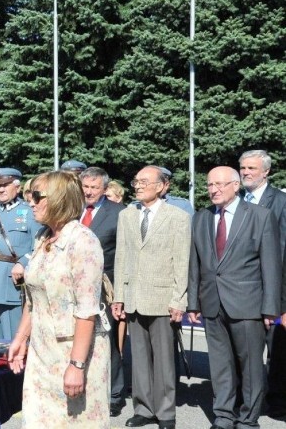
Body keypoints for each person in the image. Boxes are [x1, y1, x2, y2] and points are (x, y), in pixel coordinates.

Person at [8, 170, 110, 427]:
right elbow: (33, 298)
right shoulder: (43, 237)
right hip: (42, 353)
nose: (30, 201)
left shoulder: (83, 242)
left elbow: (87, 310)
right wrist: (20, 339)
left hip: (73, 352)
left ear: (59, 199)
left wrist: (76, 365)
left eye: (37, 196)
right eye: (29, 195)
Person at [187, 166, 281, 429]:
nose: (213, 190)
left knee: (251, 366)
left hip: (248, 305)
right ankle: (224, 415)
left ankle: (248, 419)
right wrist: (193, 302)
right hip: (212, 304)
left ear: (235, 185)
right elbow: (195, 263)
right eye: (209, 185)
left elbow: (271, 266)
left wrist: (270, 308)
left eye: (219, 184)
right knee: (220, 365)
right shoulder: (201, 218)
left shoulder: (261, 217)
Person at [112, 166, 191, 429]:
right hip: (134, 297)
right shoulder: (126, 215)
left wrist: (179, 300)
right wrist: (119, 297)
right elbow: (121, 257)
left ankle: (166, 412)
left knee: (165, 361)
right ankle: (143, 409)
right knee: (140, 360)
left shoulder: (177, 217)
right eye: (136, 181)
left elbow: (182, 262)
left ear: (162, 186)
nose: (138, 185)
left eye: (145, 181)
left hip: (162, 299)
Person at [238, 149, 286, 416]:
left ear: (266, 171)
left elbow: (283, 252)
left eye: (251, 169)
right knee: (246, 351)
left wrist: (281, 300)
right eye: (243, 167)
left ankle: (277, 401)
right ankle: (246, 398)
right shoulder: (236, 200)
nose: (245, 172)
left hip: (272, 291)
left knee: (276, 350)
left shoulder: (280, 201)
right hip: (242, 291)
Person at [79, 166, 126, 416]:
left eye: (94, 187)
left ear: (105, 189)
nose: (88, 192)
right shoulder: (72, 209)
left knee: (106, 342)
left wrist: (121, 293)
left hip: (105, 287)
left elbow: (125, 255)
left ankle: (115, 393)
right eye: (85, 187)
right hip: (74, 286)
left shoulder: (119, 213)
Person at [0, 167, 39, 339]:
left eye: (6, 185)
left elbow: (39, 246)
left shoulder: (29, 213)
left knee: (12, 339)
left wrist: (23, 263)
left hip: (11, 285)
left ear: (17, 187)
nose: (1, 189)